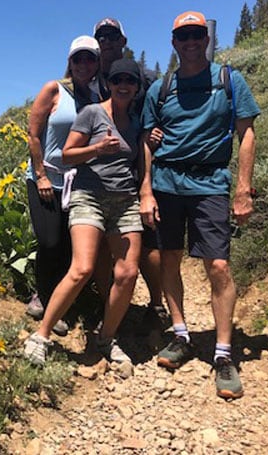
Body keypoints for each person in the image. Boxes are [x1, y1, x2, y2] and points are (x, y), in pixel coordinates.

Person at [139, 11, 260, 399]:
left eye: (196, 35)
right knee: (169, 257)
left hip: (210, 181)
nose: (190, 42)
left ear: (206, 39)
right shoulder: (163, 87)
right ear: (173, 42)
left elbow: (247, 134)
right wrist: (146, 189)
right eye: (182, 36)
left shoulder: (229, 80)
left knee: (218, 265)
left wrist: (243, 188)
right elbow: (147, 139)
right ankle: (181, 333)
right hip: (167, 182)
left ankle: (224, 353)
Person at [24, 58, 147, 367]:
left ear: (136, 87)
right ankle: (41, 335)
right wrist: (96, 149)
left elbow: (142, 159)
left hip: (124, 201)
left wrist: (145, 191)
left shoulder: (136, 120)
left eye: (129, 81)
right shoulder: (92, 113)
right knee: (82, 268)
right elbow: (67, 153)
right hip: (89, 195)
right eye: (117, 79)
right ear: (110, 83)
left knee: (128, 273)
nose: (122, 85)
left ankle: (107, 337)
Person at [92, 18, 168, 333]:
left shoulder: (147, 79)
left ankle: (156, 305)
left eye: (112, 36)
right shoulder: (89, 79)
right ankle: (103, 306)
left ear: (123, 39)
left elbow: (162, 113)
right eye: (101, 37)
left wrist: (156, 133)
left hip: (143, 170)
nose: (106, 41)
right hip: (103, 174)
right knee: (99, 244)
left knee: (150, 242)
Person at [25, 35, 101, 337]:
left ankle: (59, 304)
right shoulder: (54, 90)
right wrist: (41, 174)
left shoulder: (94, 99)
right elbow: (33, 135)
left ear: (96, 64)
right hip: (46, 179)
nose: (84, 64)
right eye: (78, 58)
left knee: (70, 246)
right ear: (70, 62)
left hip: (78, 181)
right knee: (50, 241)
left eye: (90, 59)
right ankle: (41, 295)